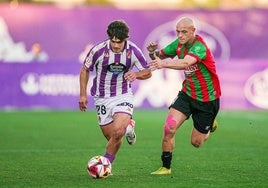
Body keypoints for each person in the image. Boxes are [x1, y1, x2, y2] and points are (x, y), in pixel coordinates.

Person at [147, 17, 221, 175]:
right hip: (187, 95)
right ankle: (165, 167)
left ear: (193, 31)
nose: (180, 35)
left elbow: (185, 63)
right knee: (169, 128)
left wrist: (164, 64)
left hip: (207, 100)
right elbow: (158, 58)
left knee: (196, 143)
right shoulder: (178, 44)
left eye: (184, 32)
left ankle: (209, 125)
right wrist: (152, 52)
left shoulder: (199, 47)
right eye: (178, 32)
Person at [79, 20, 152, 166]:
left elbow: (148, 72)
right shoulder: (98, 50)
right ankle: (129, 126)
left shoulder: (133, 51)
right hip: (101, 97)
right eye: (113, 41)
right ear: (109, 38)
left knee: (118, 132)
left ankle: (105, 165)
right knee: (112, 137)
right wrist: (82, 94)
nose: (116, 45)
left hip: (123, 94)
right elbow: (85, 69)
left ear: (126, 39)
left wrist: (136, 75)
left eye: (119, 42)